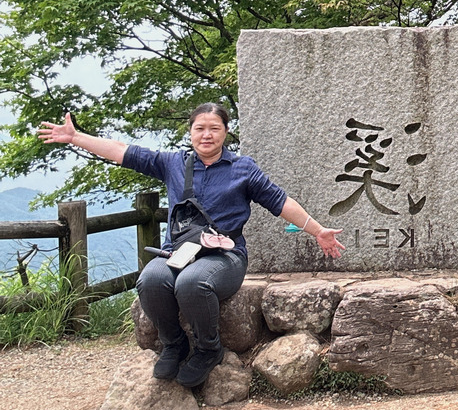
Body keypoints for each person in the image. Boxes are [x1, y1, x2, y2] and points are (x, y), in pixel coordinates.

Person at [38, 103, 344, 388]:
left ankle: (208, 349)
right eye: (200, 128)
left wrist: (317, 231)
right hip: (179, 250)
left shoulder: (243, 168)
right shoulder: (173, 163)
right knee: (151, 279)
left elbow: (280, 202)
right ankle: (174, 343)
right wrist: (76, 137)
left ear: (225, 131)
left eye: (214, 128)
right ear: (191, 132)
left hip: (225, 255)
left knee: (192, 283)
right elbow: (123, 151)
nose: (207, 134)